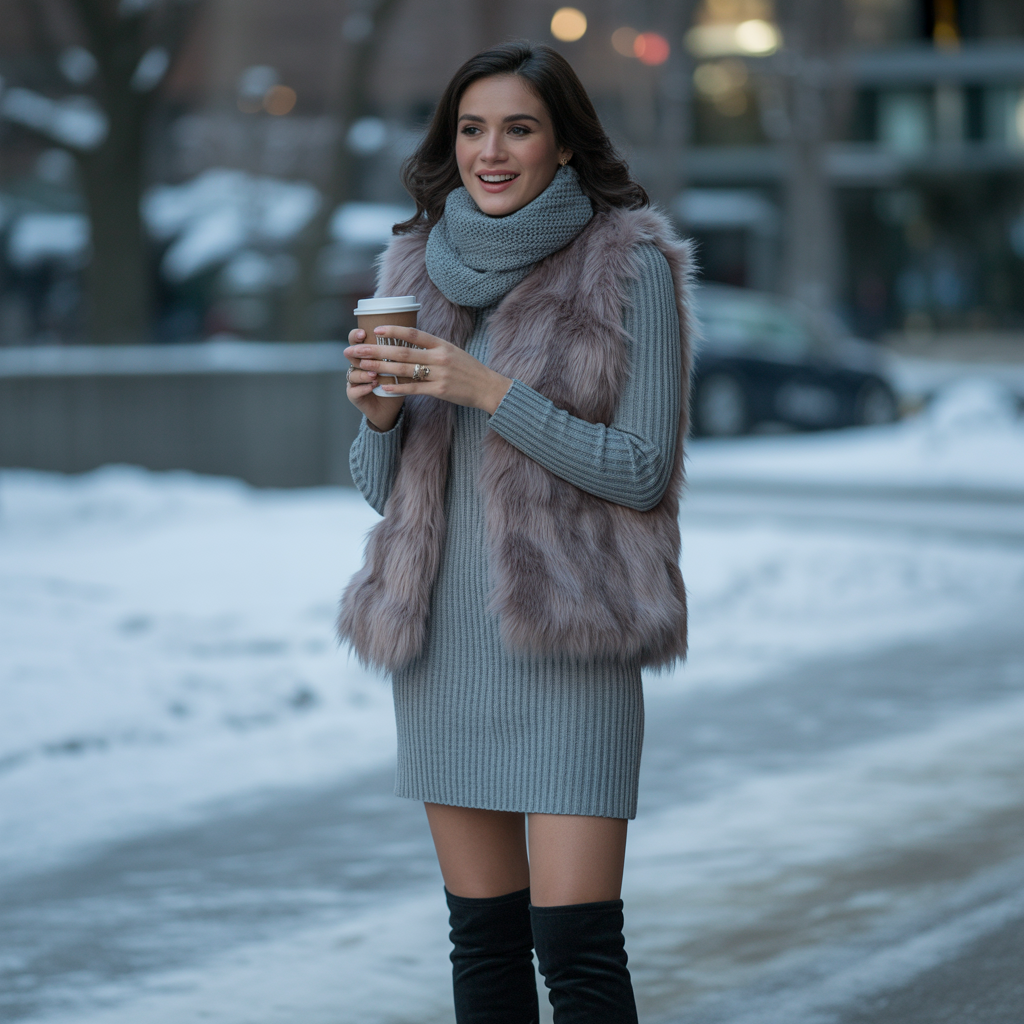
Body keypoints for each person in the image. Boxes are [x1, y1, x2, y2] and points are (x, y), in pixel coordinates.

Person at [339, 41, 693, 1023]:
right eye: (471, 128)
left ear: (565, 147)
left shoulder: (631, 268)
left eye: (518, 128)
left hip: (573, 644)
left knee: (576, 952)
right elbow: (385, 492)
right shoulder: (412, 266)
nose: (490, 152)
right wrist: (374, 417)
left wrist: (487, 390)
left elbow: (641, 470)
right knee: (484, 947)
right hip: (441, 650)